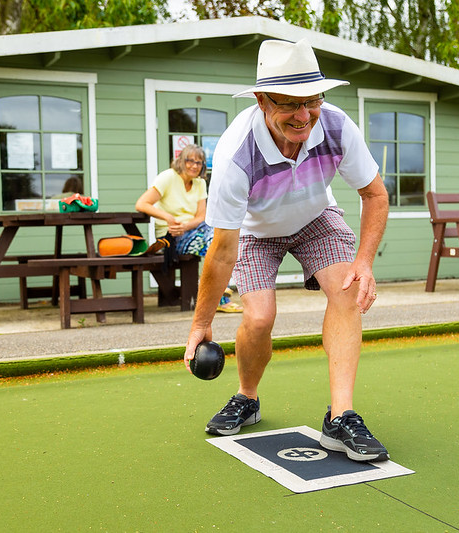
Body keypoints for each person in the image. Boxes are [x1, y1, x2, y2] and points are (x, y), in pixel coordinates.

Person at [183, 39, 390, 462]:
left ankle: (341, 417)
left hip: (316, 218)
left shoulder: (334, 126)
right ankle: (247, 398)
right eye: (289, 104)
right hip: (257, 233)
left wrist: (364, 262)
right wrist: (200, 324)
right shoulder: (236, 154)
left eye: (311, 100)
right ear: (261, 100)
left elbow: (375, 194)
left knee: (347, 290)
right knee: (259, 318)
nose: (303, 115)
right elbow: (222, 250)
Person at [135, 144, 242, 313]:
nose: (194, 165)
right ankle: (220, 294)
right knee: (215, 241)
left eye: (198, 162)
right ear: (180, 161)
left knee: (220, 238)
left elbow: (202, 216)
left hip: (193, 231)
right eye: (190, 160)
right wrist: (169, 218)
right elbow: (141, 204)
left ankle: (219, 292)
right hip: (170, 237)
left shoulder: (199, 183)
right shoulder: (167, 177)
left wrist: (185, 226)